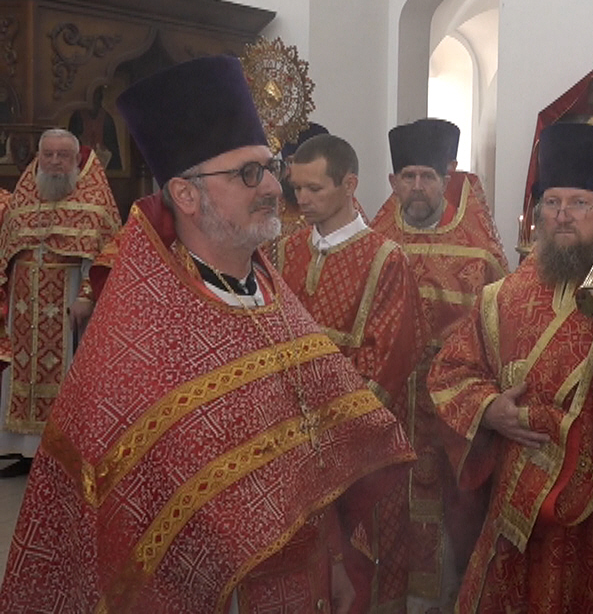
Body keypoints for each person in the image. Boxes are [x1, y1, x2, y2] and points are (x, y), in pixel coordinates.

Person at [0, 55, 414, 612]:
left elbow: (320, 448)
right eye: (249, 173)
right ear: (187, 195)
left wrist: (336, 559)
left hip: (305, 582)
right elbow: (113, 525)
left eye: (270, 167)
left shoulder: (271, 294)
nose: (275, 186)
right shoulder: (137, 335)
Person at [429, 122, 593, 613]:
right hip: (523, 510)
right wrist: (489, 408)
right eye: (552, 202)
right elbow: (451, 371)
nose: (562, 215)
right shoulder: (505, 296)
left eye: (579, 203)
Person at [276, 132, 424, 612]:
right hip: (289, 435)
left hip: (359, 444)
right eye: (297, 188)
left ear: (349, 184)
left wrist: (331, 427)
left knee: (361, 559)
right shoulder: (284, 252)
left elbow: (389, 359)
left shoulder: (386, 259)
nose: (302, 199)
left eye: (315, 188)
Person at [369, 116, 509, 610]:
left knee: (452, 527)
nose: (417, 186)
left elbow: (498, 336)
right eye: (408, 176)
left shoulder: (478, 254)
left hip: (450, 419)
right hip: (390, 415)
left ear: (447, 177)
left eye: (427, 176)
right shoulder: (375, 245)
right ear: (393, 182)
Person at [0, 127, 119, 478]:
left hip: (67, 298)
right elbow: (7, 251)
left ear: (75, 160)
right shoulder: (24, 198)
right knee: (21, 374)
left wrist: (86, 295)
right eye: (47, 154)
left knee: (65, 374)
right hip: (23, 303)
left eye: (62, 155)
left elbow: (104, 255)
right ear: (38, 157)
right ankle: (24, 451)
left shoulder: (94, 200)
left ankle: (58, 453)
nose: (54, 161)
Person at [267, 121, 328, 269]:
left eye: (302, 163)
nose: (293, 172)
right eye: (289, 162)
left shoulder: (338, 207)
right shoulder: (272, 205)